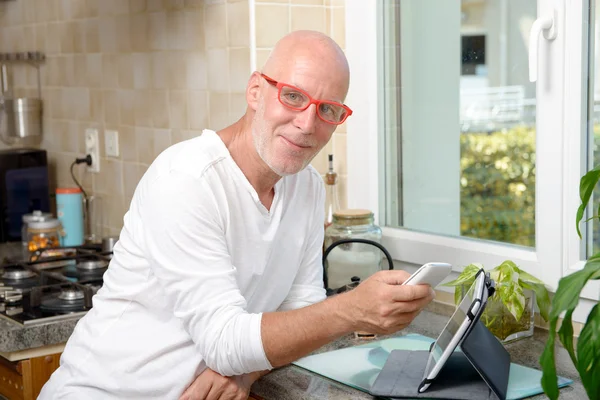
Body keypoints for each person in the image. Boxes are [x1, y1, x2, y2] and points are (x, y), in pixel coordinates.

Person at [39, 30, 435, 400]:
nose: (307, 124)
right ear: (255, 91)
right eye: (294, 97)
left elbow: (300, 314)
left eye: (328, 109)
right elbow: (225, 342)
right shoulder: (187, 178)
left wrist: (247, 371)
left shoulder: (307, 187)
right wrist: (351, 310)